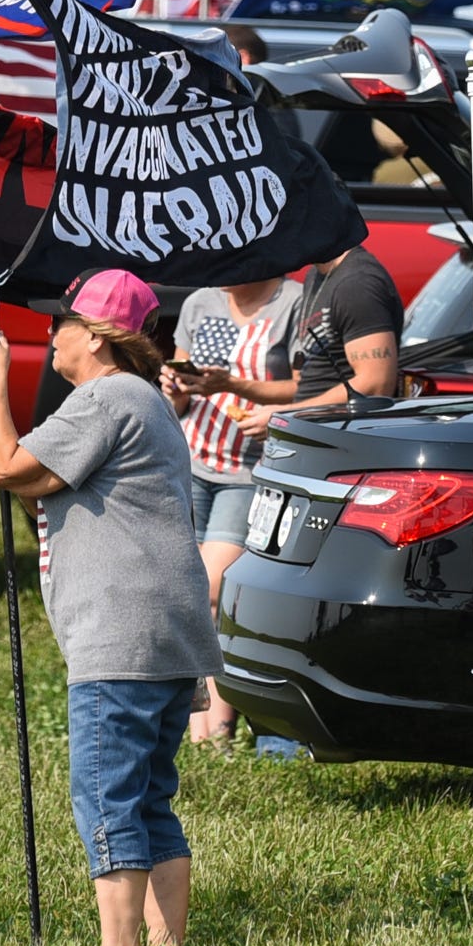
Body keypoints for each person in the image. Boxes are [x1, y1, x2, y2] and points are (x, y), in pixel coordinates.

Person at [0, 270, 219, 946]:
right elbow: (39, 486)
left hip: (123, 638)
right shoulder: (141, 402)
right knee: (148, 799)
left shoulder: (105, 398)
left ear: (96, 334)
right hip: (167, 632)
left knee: (106, 796)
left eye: (61, 322)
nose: (52, 334)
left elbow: (3, 467)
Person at [164, 272, 297, 743]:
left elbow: (303, 387)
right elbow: (177, 392)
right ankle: (190, 720)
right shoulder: (201, 300)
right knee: (185, 593)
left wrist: (235, 386)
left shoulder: (293, 303)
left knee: (214, 588)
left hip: (251, 471)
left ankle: (217, 724)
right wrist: (175, 389)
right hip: (192, 459)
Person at [185, 229, 401, 420]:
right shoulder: (316, 275)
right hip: (313, 442)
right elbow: (306, 379)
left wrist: (289, 416)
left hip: (340, 447)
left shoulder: (357, 283)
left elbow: (375, 385)